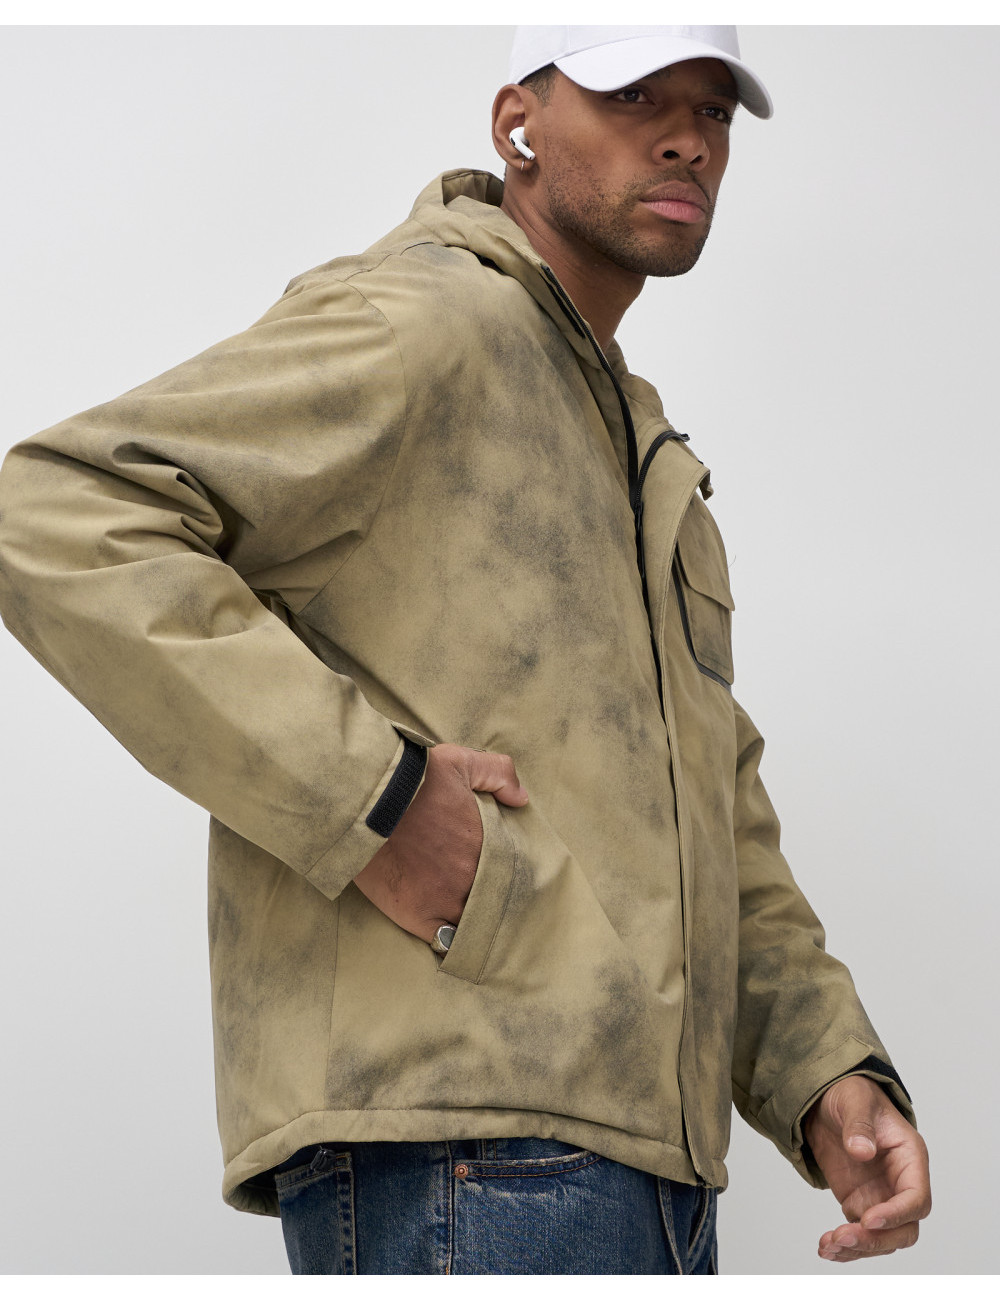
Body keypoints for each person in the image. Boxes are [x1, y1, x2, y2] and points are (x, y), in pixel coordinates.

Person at [0, 25, 931, 1275]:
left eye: (711, 111)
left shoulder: (639, 447)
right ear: (516, 123)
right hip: (467, 1148)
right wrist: (379, 802)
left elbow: (710, 797)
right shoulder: (429, 320)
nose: (685, 140)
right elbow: (57, 513)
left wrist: (823, 1067)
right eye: (633, 93)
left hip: (643, 1169)